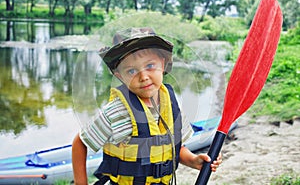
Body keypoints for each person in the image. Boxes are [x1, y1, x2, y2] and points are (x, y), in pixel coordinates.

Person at [72, 27, 222, 185]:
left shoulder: (171, 106)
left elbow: (174, 148)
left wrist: (193, 160)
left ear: (162, 64)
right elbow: (81, 142)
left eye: (150, 66)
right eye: (131, 71)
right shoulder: (117, 112)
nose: (143, 77)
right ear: (120, 76)